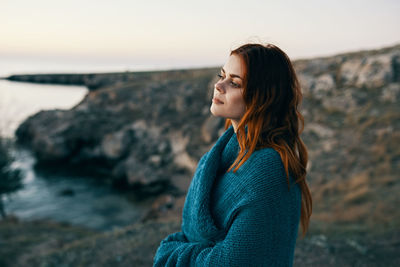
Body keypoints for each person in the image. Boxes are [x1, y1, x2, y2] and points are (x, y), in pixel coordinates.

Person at [153, 43, 312, 267]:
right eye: (222, 75)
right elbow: (192, 235)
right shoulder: (222, 155)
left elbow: (234, 261)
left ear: (264, 97)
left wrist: (171, 252)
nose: (219, 85)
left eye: (234, 83)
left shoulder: (268, 169)